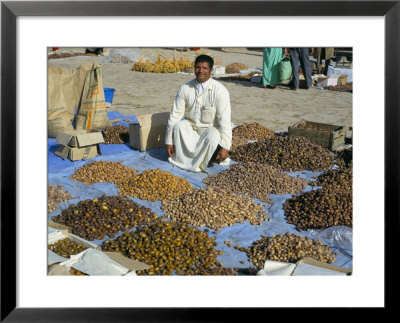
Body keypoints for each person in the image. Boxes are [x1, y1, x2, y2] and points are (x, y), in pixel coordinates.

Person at [165, 54, 232, 173]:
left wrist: (226, 147)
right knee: (179, 126)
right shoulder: (185, 88)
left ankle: (202, 162)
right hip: (192, 129)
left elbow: (224, 120)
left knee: (214, 134)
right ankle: (185, 161)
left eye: (205, 68)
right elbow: (175, 115)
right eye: (198, 67)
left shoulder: (220, 91)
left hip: (209, 131)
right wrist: (169, 141)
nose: (201, 71)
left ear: (211, 70)